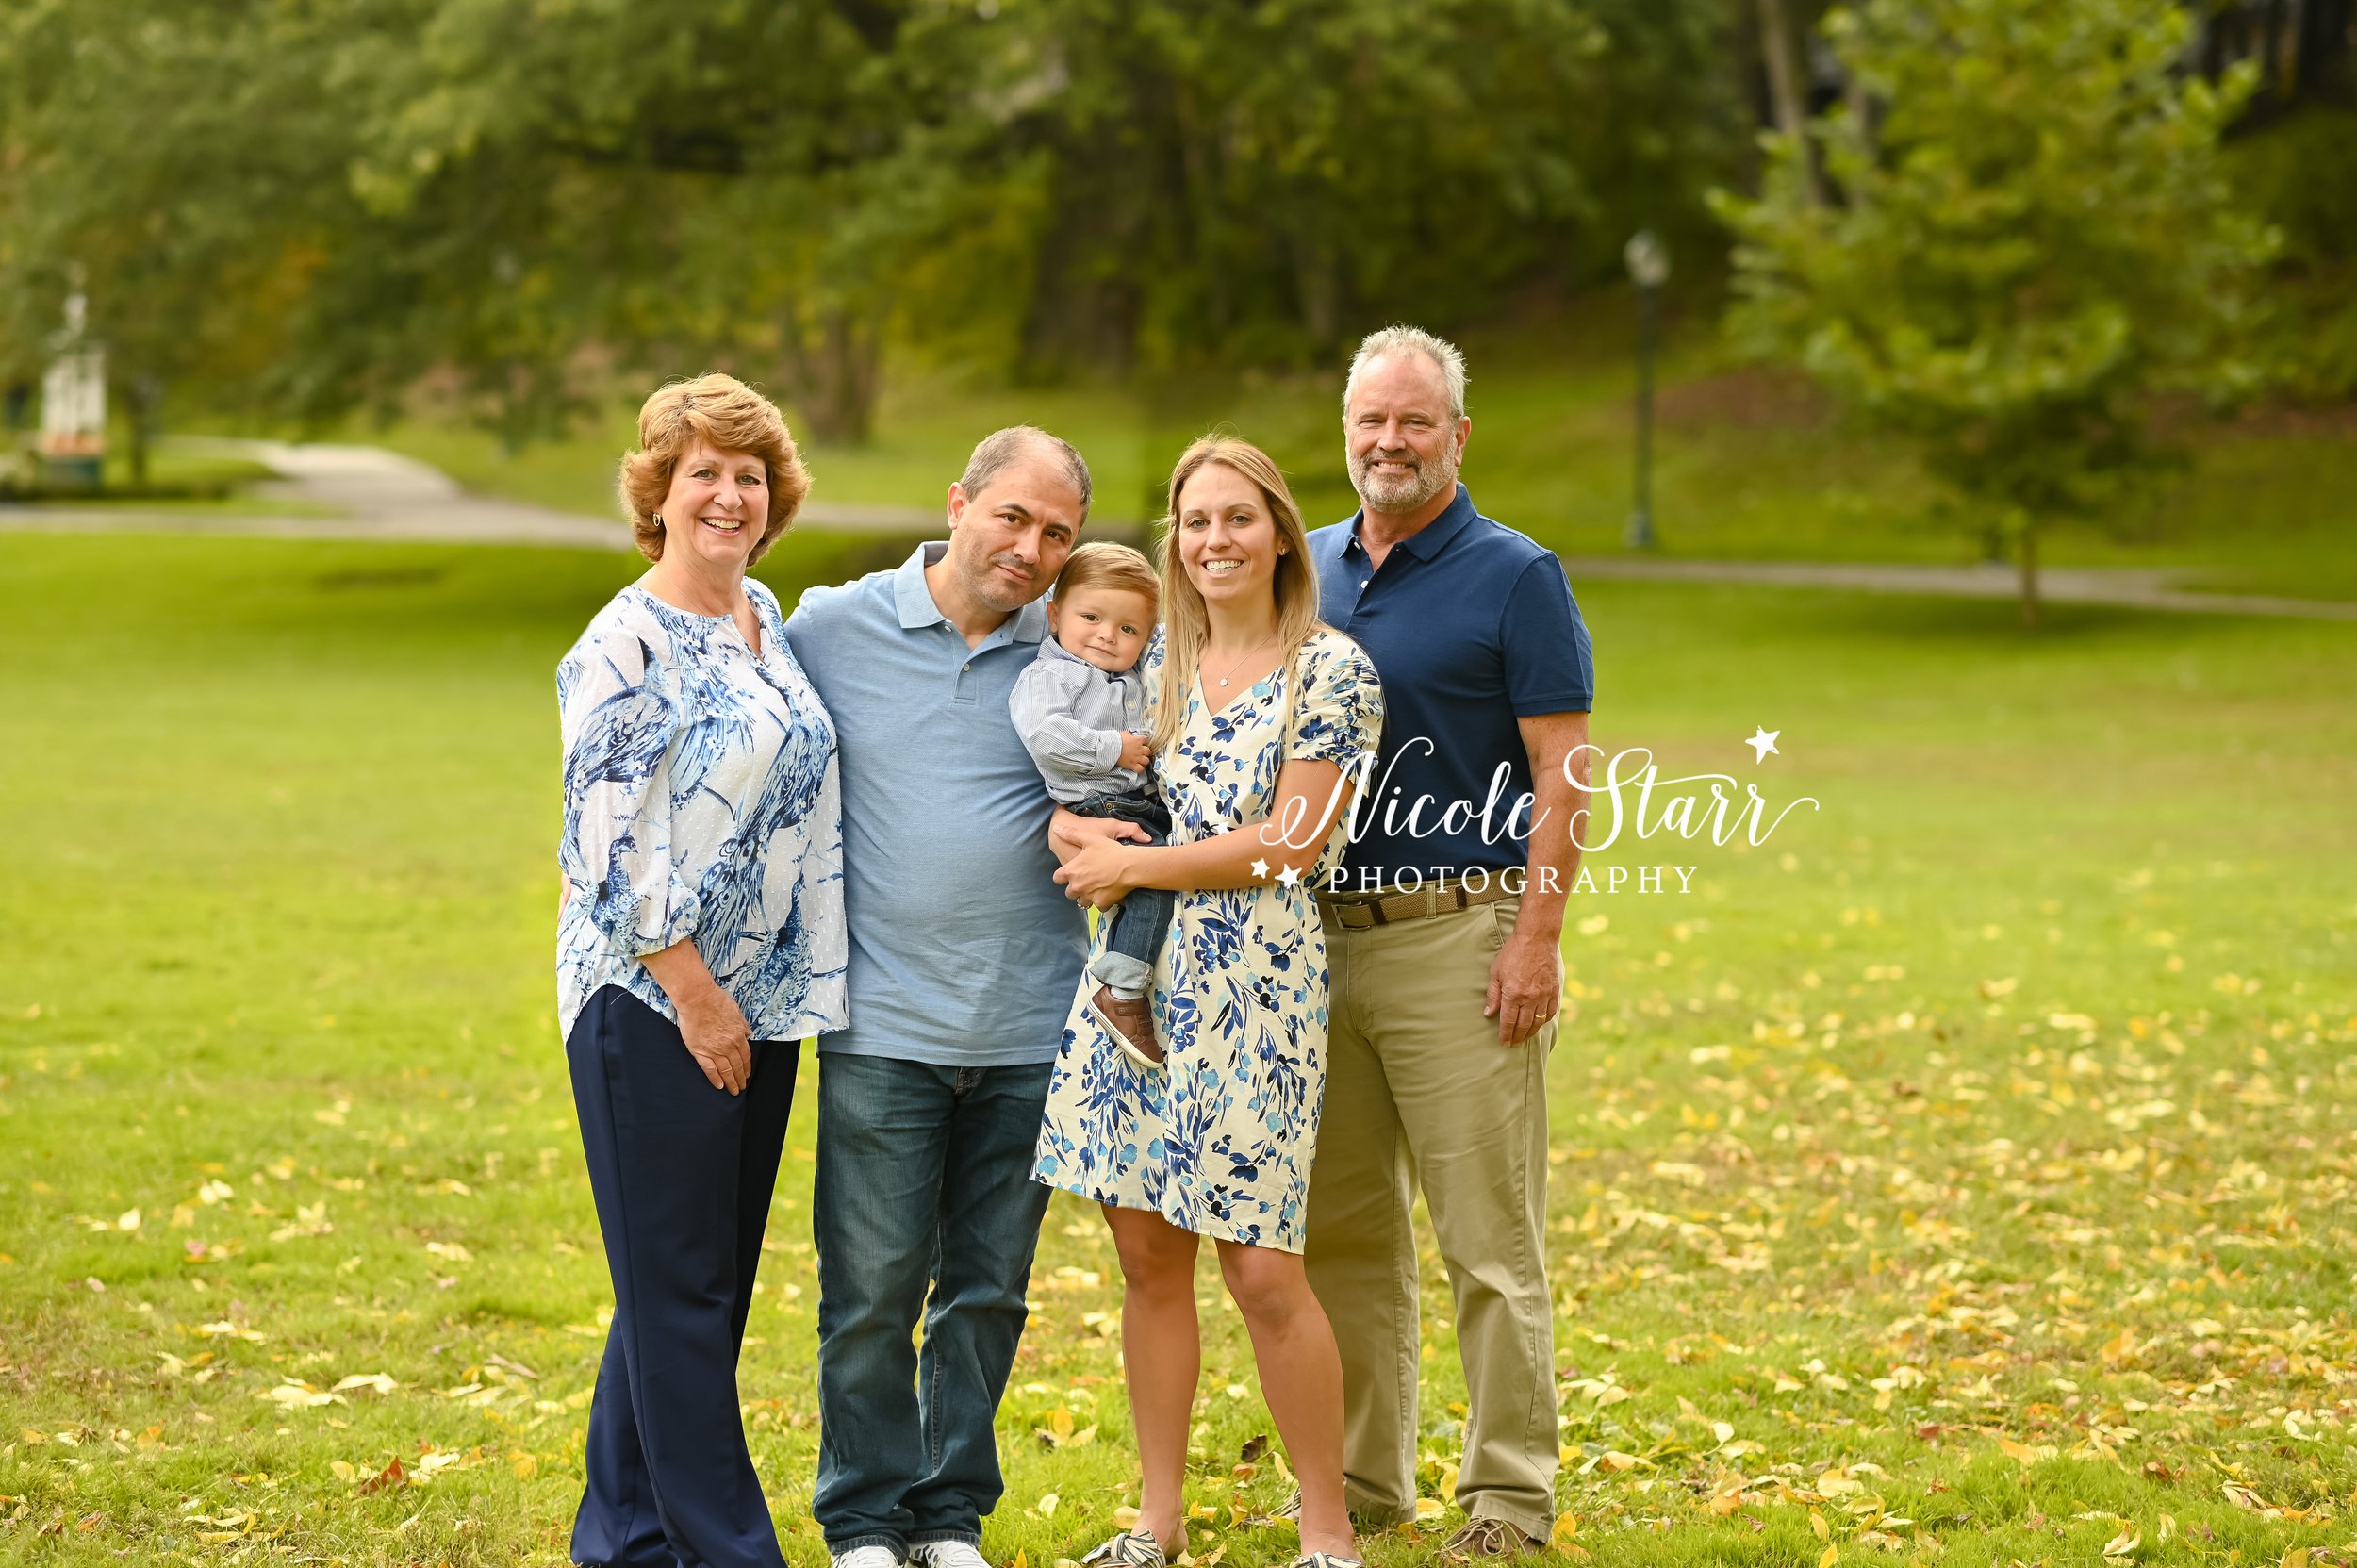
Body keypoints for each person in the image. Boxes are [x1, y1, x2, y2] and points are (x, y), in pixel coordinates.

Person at [1038, 437, 1384, 1568]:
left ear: (1282, 532)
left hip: (1254, 990)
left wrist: (1132, 870)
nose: (1215, 540)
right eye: (1195, 521)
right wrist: (1077, 834)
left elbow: (1291, 844)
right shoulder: (1156, 670)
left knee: (1261, 1268)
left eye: (1238, 518)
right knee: (1147, 1258)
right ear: (1173, 542)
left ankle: (1327, 1533)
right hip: (1129, 990)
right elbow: (1090, 796)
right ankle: (1157, 1521)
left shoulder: (1332, 670)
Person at [1301, 326, 1594, 1561]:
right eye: (1373, 419)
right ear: (1348, 428)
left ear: (1457, 435)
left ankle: (1511, 1494)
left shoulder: (1516, 574)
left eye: (1415, 421)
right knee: (1343, 1234)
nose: (1390, 441)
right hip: (1312, 947)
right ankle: (1368, 1480)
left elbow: (1563, 773)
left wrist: (1536, 938)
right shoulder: (1299, 563)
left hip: (1455, 936)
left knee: (1487, 1232)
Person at [783, 426, 1094, 1568]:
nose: (1029, 548)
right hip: (882, 1026)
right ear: (958, 500)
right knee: (868, 1292)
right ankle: (864, 1517)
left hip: (1032, 1028)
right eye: (1012, 516)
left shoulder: (1079, 652)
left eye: (1056, 532)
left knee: (986, 1293)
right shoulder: (831, 627)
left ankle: (948, 1513)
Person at [556, 373, 848, 1568]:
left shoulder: (763, 615)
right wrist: (694, 992)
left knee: (689, 1287)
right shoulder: (622, 641)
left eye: (749, 475)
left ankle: (621, 1540)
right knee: (681, 1293)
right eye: (704, 475)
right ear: (658, 495)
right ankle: (731, 1551)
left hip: (762, 1001)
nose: (730, 495)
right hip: (654, 1001)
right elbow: (603, 847)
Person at [1008, 541, 1170, 1066]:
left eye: (1128, 630)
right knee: (1155, 877)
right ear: (1054, 614)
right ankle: (1120, 988)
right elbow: (1045, 735)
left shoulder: (1128, 677)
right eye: (1092, 617)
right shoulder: (1053, 675)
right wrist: (1116, 748)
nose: (1107, 634)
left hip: (1135, 800)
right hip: (1100, 805)